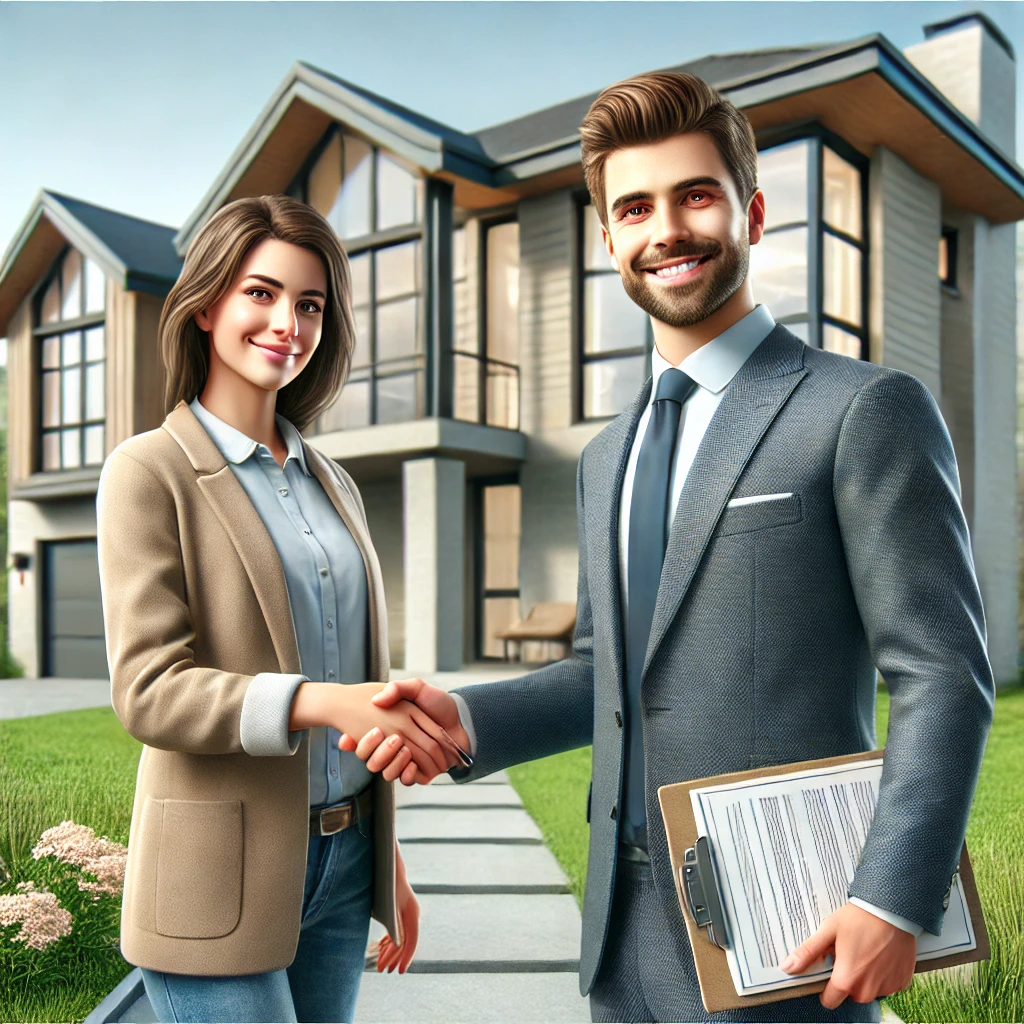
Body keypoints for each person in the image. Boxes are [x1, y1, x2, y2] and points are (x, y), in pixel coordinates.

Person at [342, 72, 994, 1023]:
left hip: (787, 929)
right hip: (620, 936)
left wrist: (891, 895)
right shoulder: (608, 455)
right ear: (608, 237)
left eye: (695, 195)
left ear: (752, 211)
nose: (666, 231)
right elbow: (605, 673)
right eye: (635, 207)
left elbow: (941, 670)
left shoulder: (859, 410)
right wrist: (467, 721)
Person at [96, 194, 464, 1023]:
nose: (287, 323)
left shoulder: (332, 482)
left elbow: (357, 677)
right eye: (260, 293)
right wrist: (317, 702)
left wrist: (388, 867)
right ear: (206, 306)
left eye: (309, 304)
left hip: (345, 860)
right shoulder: (147, 471)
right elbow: (150, 690)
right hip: (213, 876)